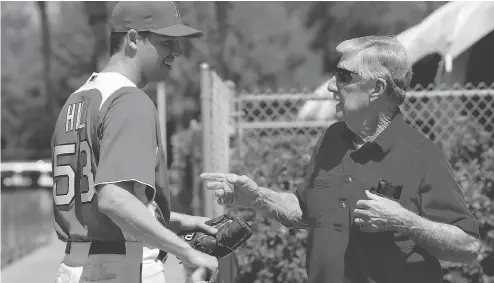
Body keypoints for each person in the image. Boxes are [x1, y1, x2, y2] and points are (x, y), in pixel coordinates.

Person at [201, 35, 480, 283]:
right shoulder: (332, 139)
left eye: (344, 76)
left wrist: (404, 221)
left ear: (377, 88)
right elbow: (306, 209)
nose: (332, 87)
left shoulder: (422, 155)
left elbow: (467, 245)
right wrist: (257, 198)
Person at [51, 2, 218, 283]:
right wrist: (187, 252)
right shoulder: (128, 100)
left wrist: (178, 221)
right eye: (167, 42)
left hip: (78, 266)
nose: (177, 52)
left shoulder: (78, 99)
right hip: (122, 267)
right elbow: (114, 200)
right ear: (132, 39)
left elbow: (97, 204)